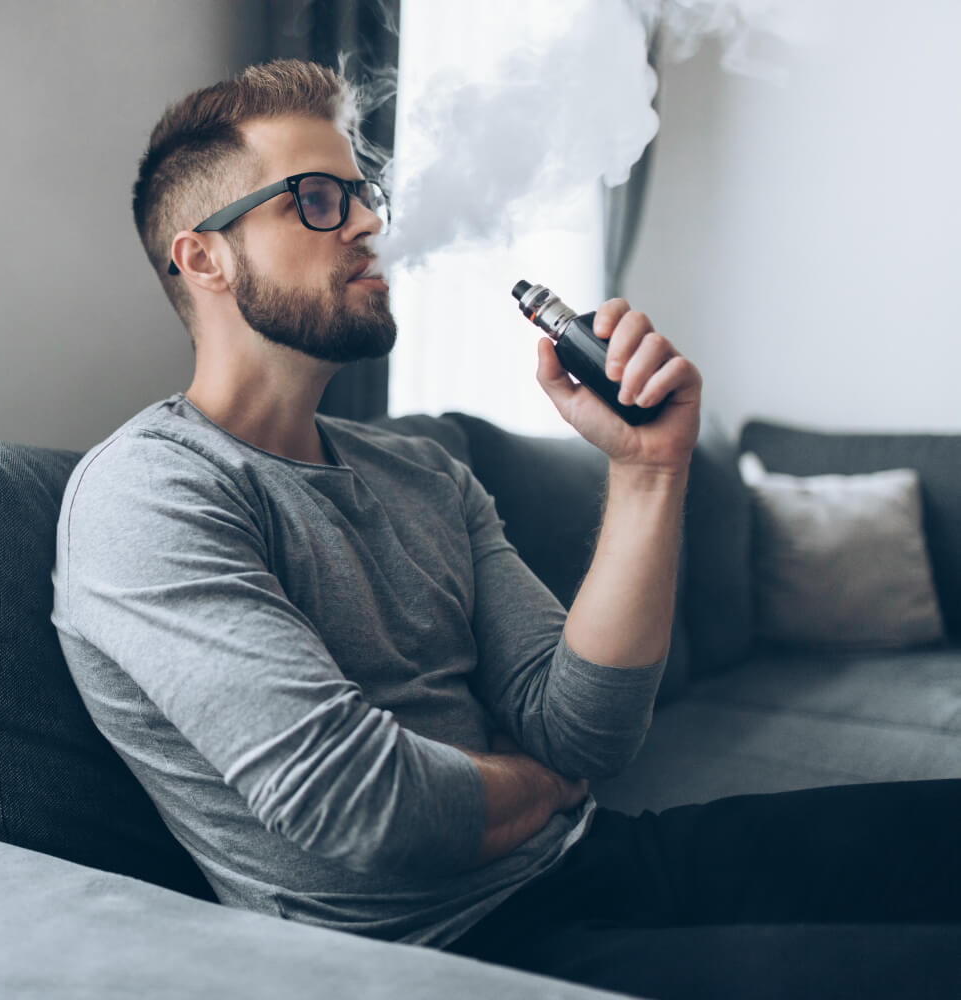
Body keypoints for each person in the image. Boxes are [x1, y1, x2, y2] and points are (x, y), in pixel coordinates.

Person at [49, 59, 960, 999]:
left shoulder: (424, 473)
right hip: (448, 954)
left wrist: (650, 471)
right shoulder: (151, 496)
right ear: (204, 258)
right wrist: (546, 783)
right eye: (316, 200)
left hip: (591, 861)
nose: (367, 222)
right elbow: (368, 807)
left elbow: (586, 732)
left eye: (364, 196)